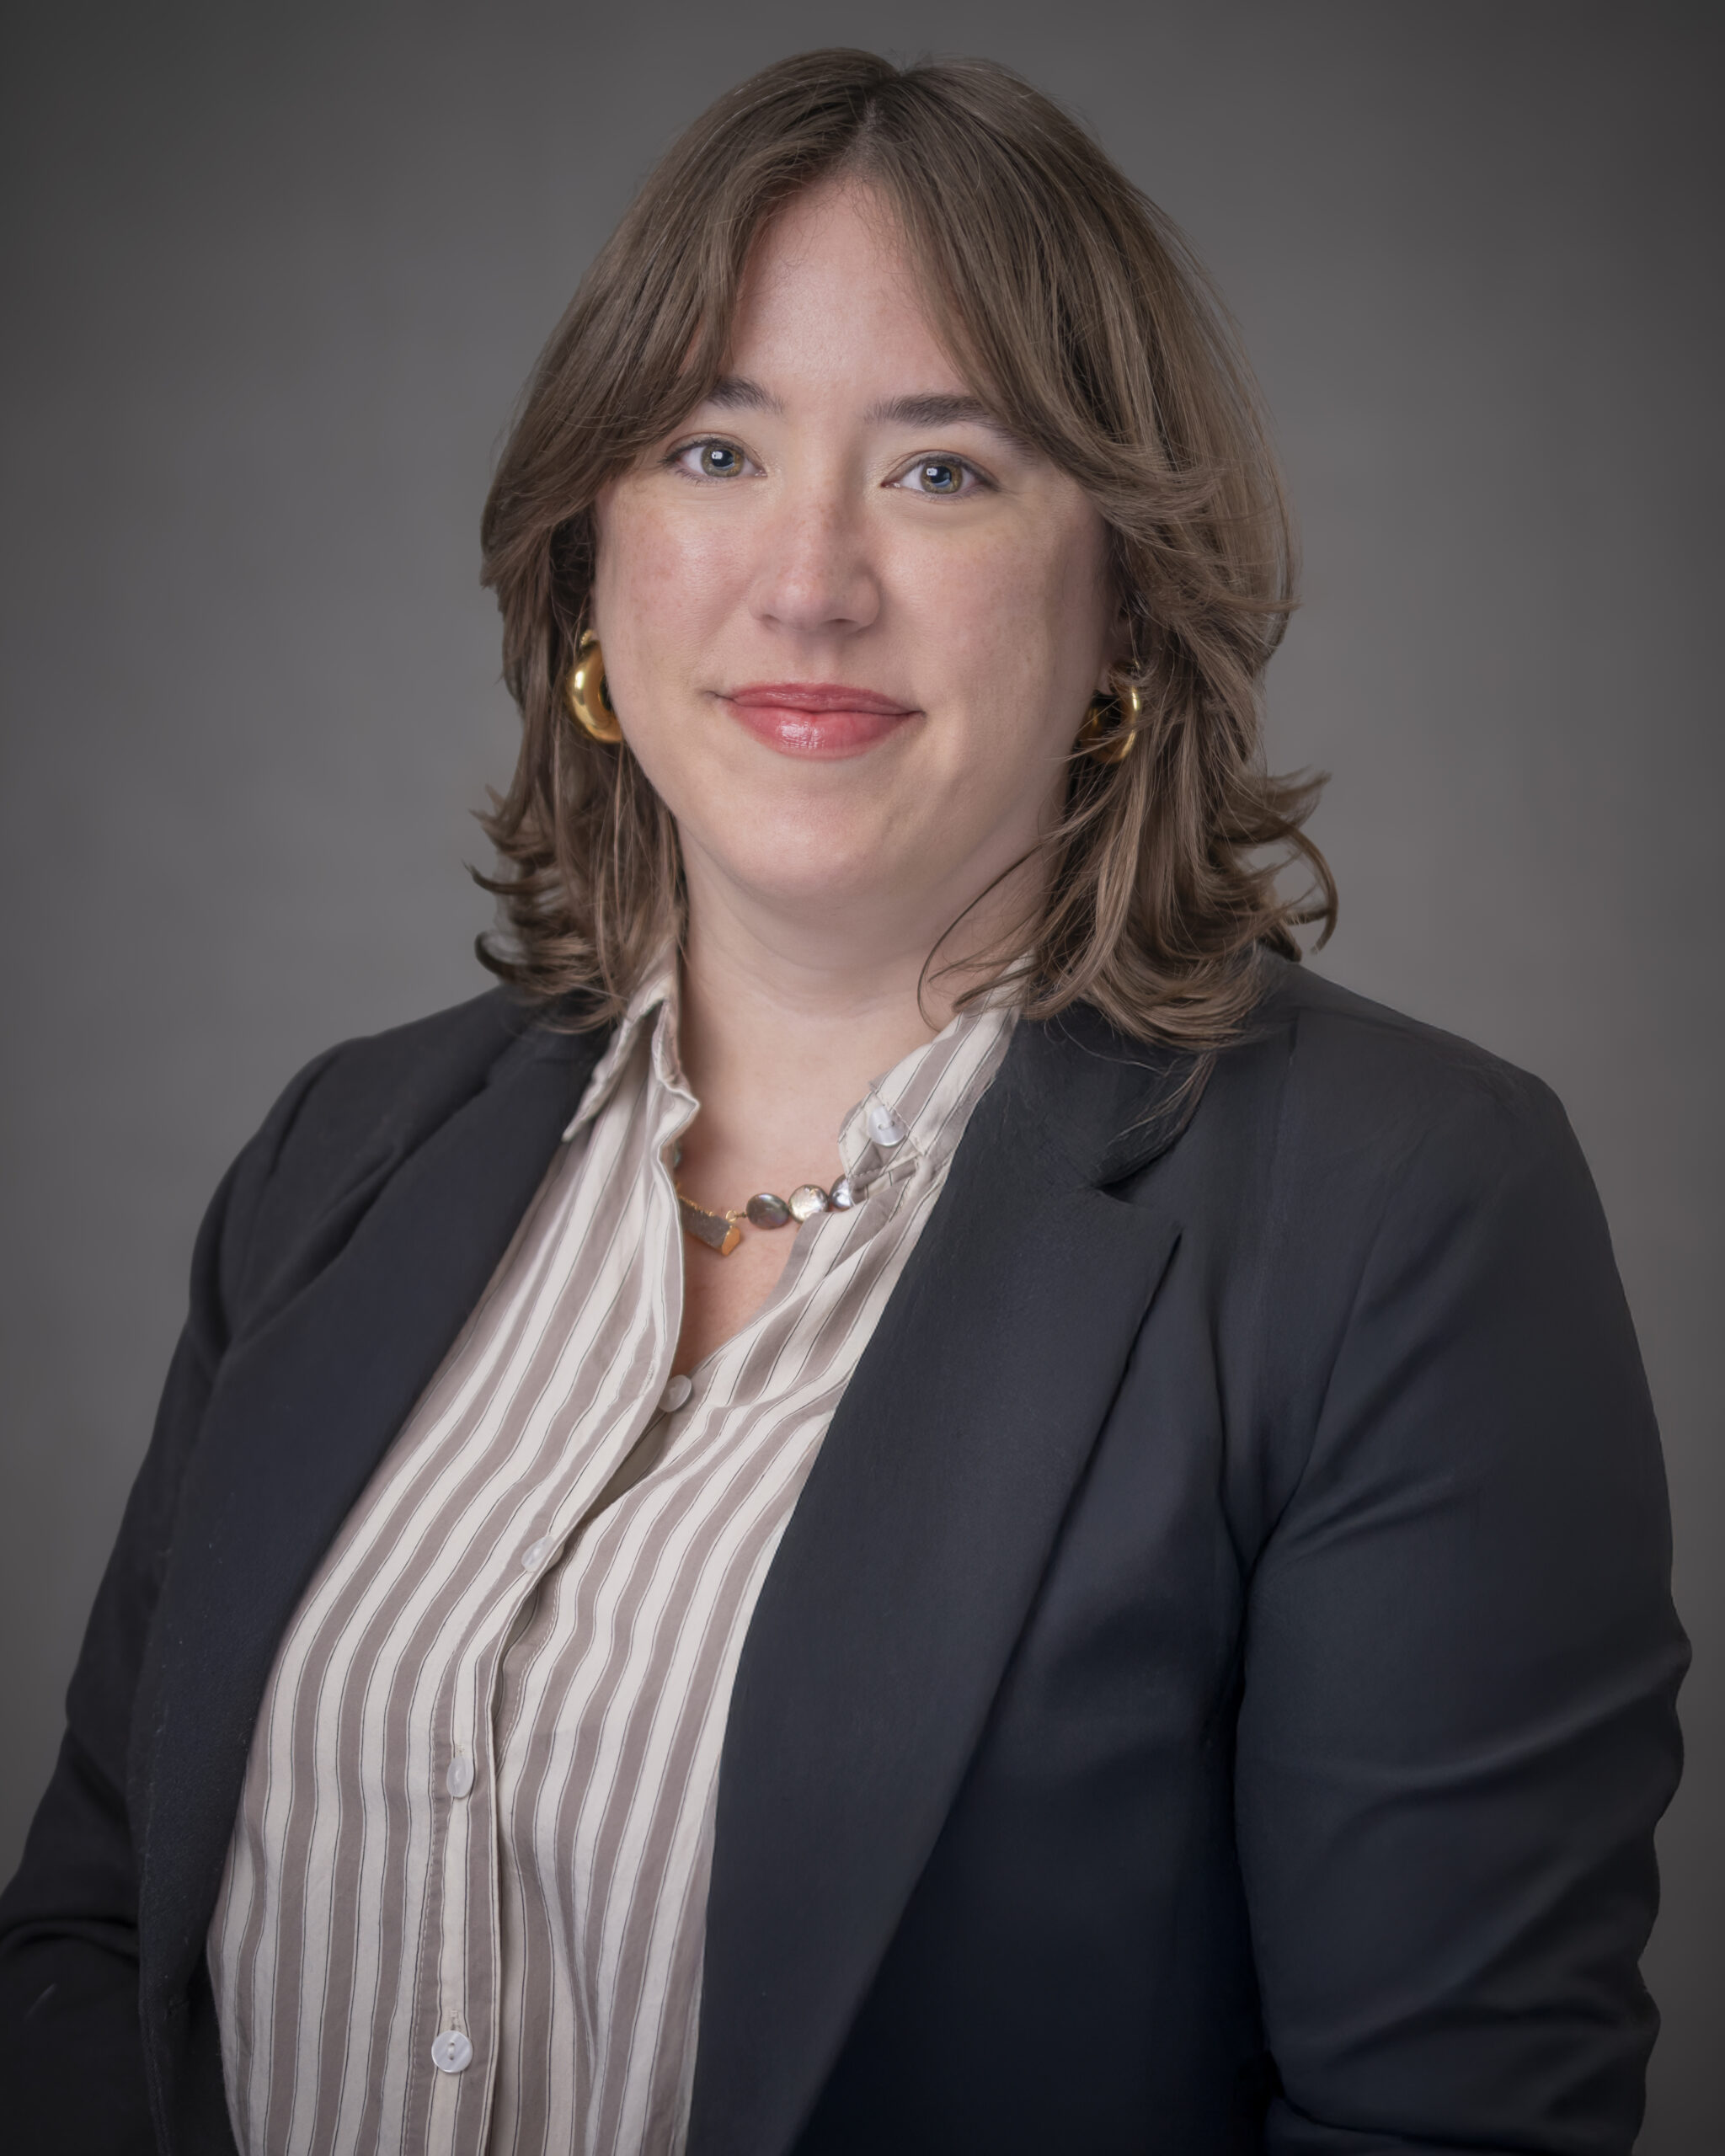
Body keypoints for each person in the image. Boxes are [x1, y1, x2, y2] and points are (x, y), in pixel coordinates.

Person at [0, 47, 1686, 2156]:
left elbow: (1446, 2131)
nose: (807, 579)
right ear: (588, 566)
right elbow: (88, 1932)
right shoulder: (339, 1157)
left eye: (942, 470)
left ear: (1125, 607)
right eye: (711, 447)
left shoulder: (1401, 1216)